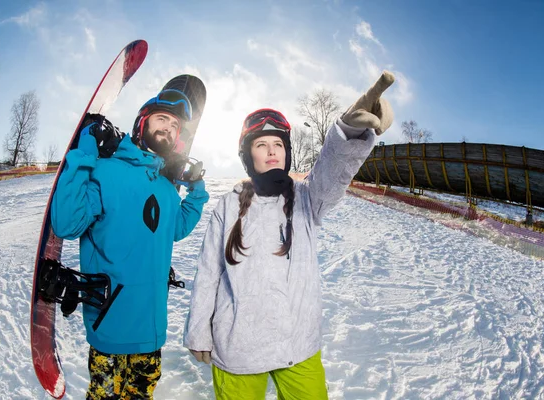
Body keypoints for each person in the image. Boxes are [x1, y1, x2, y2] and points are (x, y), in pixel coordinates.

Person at [183, 71, 395, 399]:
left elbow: (332, 172)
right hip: (239, 344)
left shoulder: (308, 198)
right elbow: (209, 272)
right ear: (247, 155)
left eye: (278, 144)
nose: (271, 151)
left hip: (296, 344)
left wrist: (349, 131)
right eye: (261, 144)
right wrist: (199, 330)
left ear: (287, 152)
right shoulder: (228, 205)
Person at [51, 88, 210, 399]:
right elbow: (67, 223)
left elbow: (174, 229)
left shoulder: (166, 186)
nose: (168, 128)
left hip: (152, 332)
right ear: (142, 123)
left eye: (175, 126)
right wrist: (84, 153)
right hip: (111, 327)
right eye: (162, 119)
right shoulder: (105, 170)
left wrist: (197, 191)